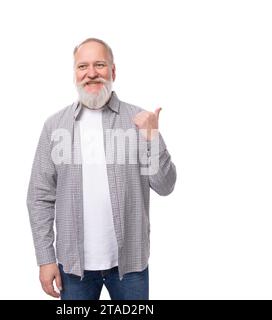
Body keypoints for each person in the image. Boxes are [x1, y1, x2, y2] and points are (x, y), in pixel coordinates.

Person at [27, 38, 176, 300]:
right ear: (75, 74)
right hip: (73, 268)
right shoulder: (55, 126)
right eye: (83, 66)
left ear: (113, 71)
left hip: (130, 266)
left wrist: (153, 137)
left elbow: (165, 186)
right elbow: (40, 197)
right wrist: (45, 258)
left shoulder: (139, 121)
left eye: (99, 64)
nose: (91, 73)